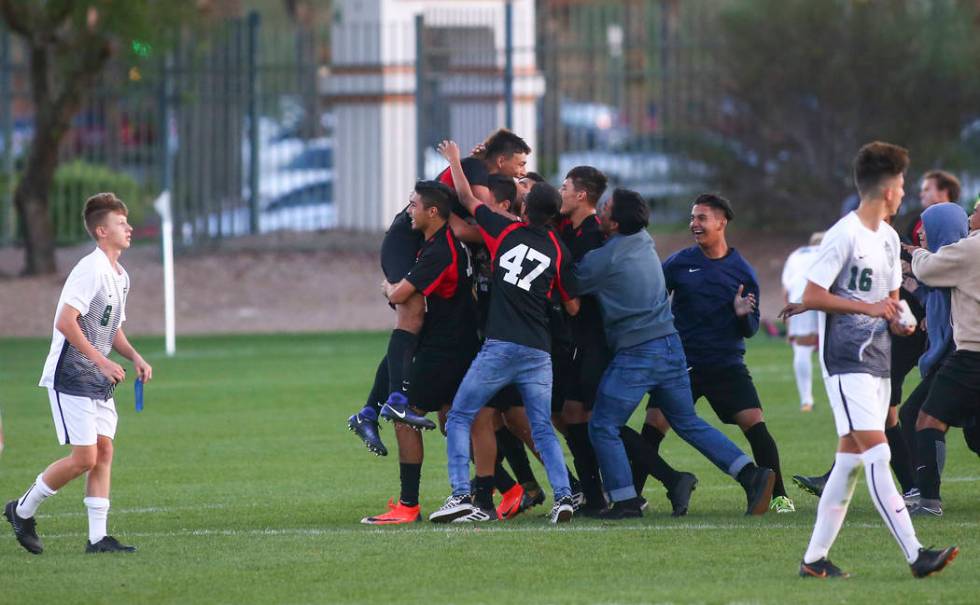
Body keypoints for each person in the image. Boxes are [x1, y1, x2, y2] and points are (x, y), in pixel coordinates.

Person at [784, 141, 957, 579]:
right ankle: (916, 554)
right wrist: (869, 309)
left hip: (879, 361)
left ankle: (813, 560)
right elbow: (812, 295)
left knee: (849, 463)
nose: (904, 192)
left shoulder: (887, 238)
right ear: (886, 188)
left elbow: (892, 299)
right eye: (901, 184)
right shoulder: (845, 234)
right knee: (878, 455)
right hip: (845, 363)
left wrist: (900, 319)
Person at [574, 189, 776, 519]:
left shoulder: (605, 258)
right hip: (672, 347)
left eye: (604, 209)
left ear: (614, 221)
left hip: (638, 352)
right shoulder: (644, 241)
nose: (599, 213)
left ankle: (626, 500)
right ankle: (750, 474)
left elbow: (572, 282)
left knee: (602, 424)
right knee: (687, 421)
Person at [428, 140, 579, 524]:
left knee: (460, 415)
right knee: (542, 428)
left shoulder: (502, 230)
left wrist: (453, 161)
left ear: (525, 210)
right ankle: (564, 497)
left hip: (500, 346)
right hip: (538, 351)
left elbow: (465, 195)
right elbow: (573, 304)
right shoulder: (559, 250)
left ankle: (461, 495)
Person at [5, 193, 152, 555]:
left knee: (104, 452)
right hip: (70, 375)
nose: (129, 228)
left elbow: (110, 327)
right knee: (84, 457)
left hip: (98, 379)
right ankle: (21, 510)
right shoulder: (91, 269)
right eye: (121, 223)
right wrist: (102, 362)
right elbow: (65, 322)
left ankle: (98, 539)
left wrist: (134, 356)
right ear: (102, 231)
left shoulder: (121, 276)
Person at [650, 193, 794, 513]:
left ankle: (778, 494)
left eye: (701, 218)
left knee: (755, 424)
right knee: (654, 425)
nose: (694, 224)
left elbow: (751, 329)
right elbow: (653, 296)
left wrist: (743, 314)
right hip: (681, 364)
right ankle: (632, 496)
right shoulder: (679, 263)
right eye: (692, 218)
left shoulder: (742, 272)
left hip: (725, 363)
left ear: (721, 222)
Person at [360, 181, 480, 525]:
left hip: (443, 349)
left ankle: (408, 505)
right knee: (453, 422)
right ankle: (487, 491)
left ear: (432, 212)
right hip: (460, 344)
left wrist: (387, 286)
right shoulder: (446, 245)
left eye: (413, 205)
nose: (408, 211)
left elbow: (399, 296)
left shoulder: (438, 252)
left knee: (404, 416)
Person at [909, 200, 979, 517]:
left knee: (927, 419)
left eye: (976, 211)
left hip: (972, 356)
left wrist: (915, 253)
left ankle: (928, 501)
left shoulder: (970, 249)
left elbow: (927, 270)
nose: (970, 216)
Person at [781, 232, 824, 412]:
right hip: (823, 293)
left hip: (798, 295)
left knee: (802, 346)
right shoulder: (828, 250)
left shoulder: (796, 254)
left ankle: (806, 400)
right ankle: (837, 391)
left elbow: (785, 288)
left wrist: (789, 319)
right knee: (829, 343)